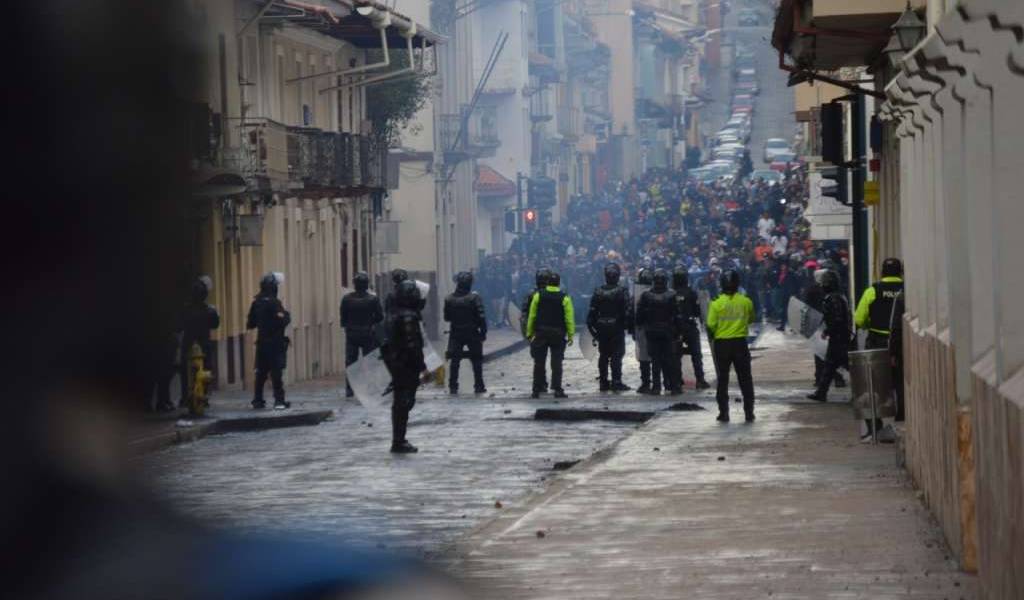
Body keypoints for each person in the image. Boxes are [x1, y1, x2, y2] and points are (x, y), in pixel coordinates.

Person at [854, 257, 904, 435]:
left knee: (872, 386)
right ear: (901, 272)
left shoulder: (873, 290)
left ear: (882, 272)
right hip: (901, 343)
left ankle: (876, 427)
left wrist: (871, 325)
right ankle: (901, 421)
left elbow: (859, 319)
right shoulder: (906, 289)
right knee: (900, 383)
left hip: (877, 343)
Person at [381, 280, 426, 453]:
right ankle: (399, 440)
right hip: (406, 365)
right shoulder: (408, 316)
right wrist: (422, 367)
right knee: (404, 402)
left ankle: (398, 439)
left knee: (400, 402)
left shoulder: (391, 314)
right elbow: (412, 345)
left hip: (396, 364)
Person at [707, 269, 756, 422]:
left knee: (722, 379)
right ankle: (749, 413)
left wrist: (719, 331)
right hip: (740, 343)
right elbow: (751, 319)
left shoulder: (716, 303)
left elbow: (710, 324)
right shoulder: (746, 301)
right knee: (745, 379)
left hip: (722, 345)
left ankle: (724, 413)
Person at [526, 270, 575, 399]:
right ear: (558, 283)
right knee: (557, 362)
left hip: (541, 332)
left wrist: (529, 332)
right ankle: (557, 388)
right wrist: (570, 335)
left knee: (539, 362)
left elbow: (532, 316)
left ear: (548, 282)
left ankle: (536, 389)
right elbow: (569, 318)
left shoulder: (538, 296)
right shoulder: (564, 297)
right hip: (558, 334)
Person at [247, 273, 291, 410]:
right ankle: (279, 401)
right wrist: (287, 315)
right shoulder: (274, 302)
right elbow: (283, 320)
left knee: (261, 373)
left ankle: (258, 400)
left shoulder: (256, 302)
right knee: (276, 373)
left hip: (262, 343)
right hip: (275, 343)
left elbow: (250, 323)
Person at [587, 263, 633, 392]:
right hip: (616, 326)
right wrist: (627, 325)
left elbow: (591, 314)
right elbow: (627, 310)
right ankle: (616, 381)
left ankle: (603, 381)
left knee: (604, 355)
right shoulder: (622, 291)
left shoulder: (598, 291)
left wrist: (594, 331)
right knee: (616, 355)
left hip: (602, 327)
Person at [807, 270, 851, 402]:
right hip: (838, 337)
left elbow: (837, 319)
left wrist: (828, 331)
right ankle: (821, 393)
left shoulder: (834, 298)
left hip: (839, 338)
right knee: (830, 365)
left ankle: (864, 389)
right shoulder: (836, 297)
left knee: (846, 364)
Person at [637, 270, 682, 395]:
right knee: (670, 359)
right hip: (667, 331)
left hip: (651, 331)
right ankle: (674, 386)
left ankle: (656, 387)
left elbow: (639, 315)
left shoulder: (646, 295)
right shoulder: (671, 294)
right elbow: (677, 315)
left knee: (655, 360)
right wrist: (678, 331)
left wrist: (640, 325)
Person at [340, 271, 383, 398]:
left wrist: (348, 327)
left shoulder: (347, 299)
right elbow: (380, 316)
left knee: (350, 362)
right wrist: (371, 323)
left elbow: (343, 317)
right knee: (370, 361)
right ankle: (371, 387)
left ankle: (350, 388)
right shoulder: (373, 299)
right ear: (366, 284)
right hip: (367, 333)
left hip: (352, 333)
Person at [444, 271, 487, 394]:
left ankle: (453, 386)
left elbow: (447, 317)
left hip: (456, 332)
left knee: (454, 361)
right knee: (476, 360)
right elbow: (481, 317)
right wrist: (483, 332)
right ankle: (479, 385)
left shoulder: (449, 299)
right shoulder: (475, 298)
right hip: (472, 332)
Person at [672, 268, 710, 389]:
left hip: (675, 327)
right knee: (696, 354)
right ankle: (700, 379)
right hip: (689, 325)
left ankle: (677, 380)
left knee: (675, 355)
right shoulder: (691, 293)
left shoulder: (670, 293)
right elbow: (697, 311)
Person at [633, 268, 660, 394]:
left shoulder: (637, 294)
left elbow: (634, 313)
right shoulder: (660, 292)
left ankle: (645, 383)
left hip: (642, 328)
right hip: (656, 327)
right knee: (657, 356)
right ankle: (658, 384)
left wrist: (633, 328)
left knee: (644, 357)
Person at [888, 288, 906, 422]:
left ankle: (901, 412)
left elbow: (895, 327)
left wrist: (892, 352)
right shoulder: (903, 292)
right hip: (906, 342)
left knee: (898, 381)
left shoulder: (901, 296)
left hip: (897, 344)